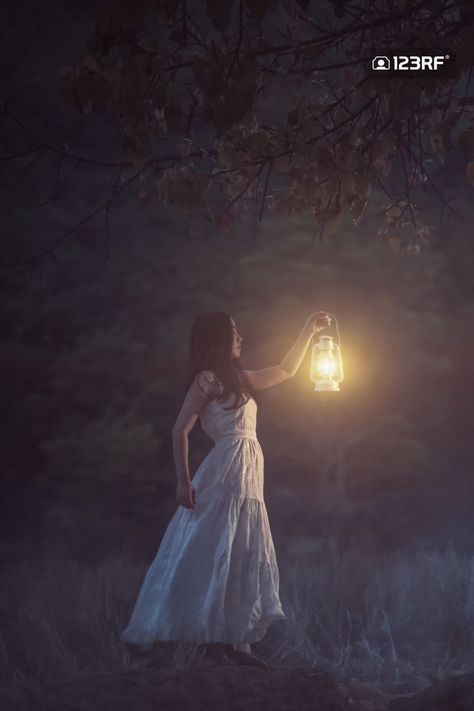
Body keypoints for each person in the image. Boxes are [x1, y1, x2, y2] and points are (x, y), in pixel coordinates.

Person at [120, 309, 332, 667]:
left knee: (241, 549)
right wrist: (183, 480)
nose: (241, 338)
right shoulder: (208, 380)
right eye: (234, 332)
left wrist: (309, 329)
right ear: (218, 338)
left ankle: (237, 643)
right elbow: (179, 430)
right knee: (214, 547)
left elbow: (285, 370)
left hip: (249, 471)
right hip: (224, 471)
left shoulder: (241, 380)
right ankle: (210, 637)